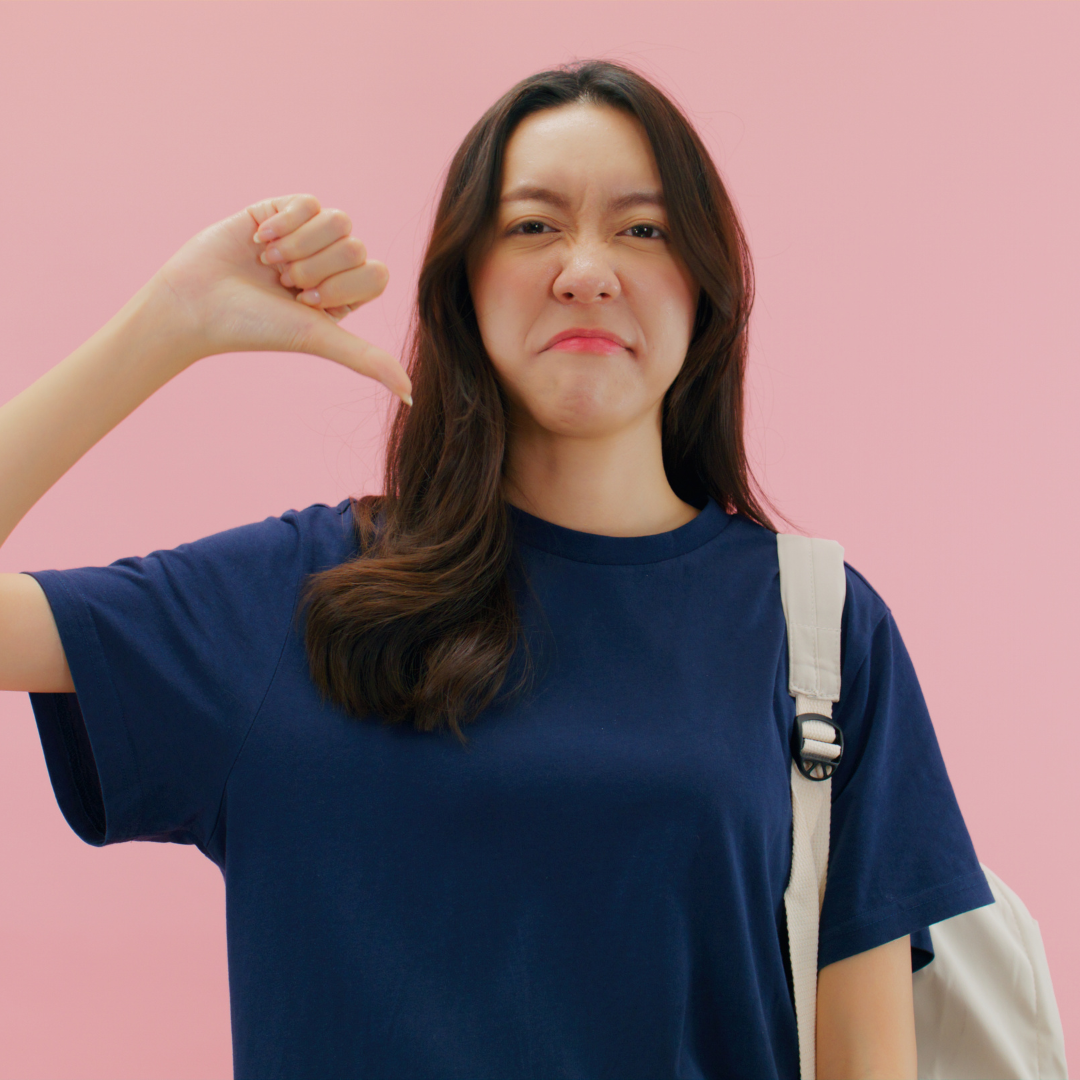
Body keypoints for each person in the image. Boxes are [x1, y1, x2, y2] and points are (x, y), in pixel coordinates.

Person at [0, 60, 992, 1080]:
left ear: (706, 288)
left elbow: (867, 1061)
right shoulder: (296, 598)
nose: (586, 270)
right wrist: (169, 322)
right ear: (463, 283)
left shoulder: (817, 629)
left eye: (643, 229)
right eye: (533, 225)